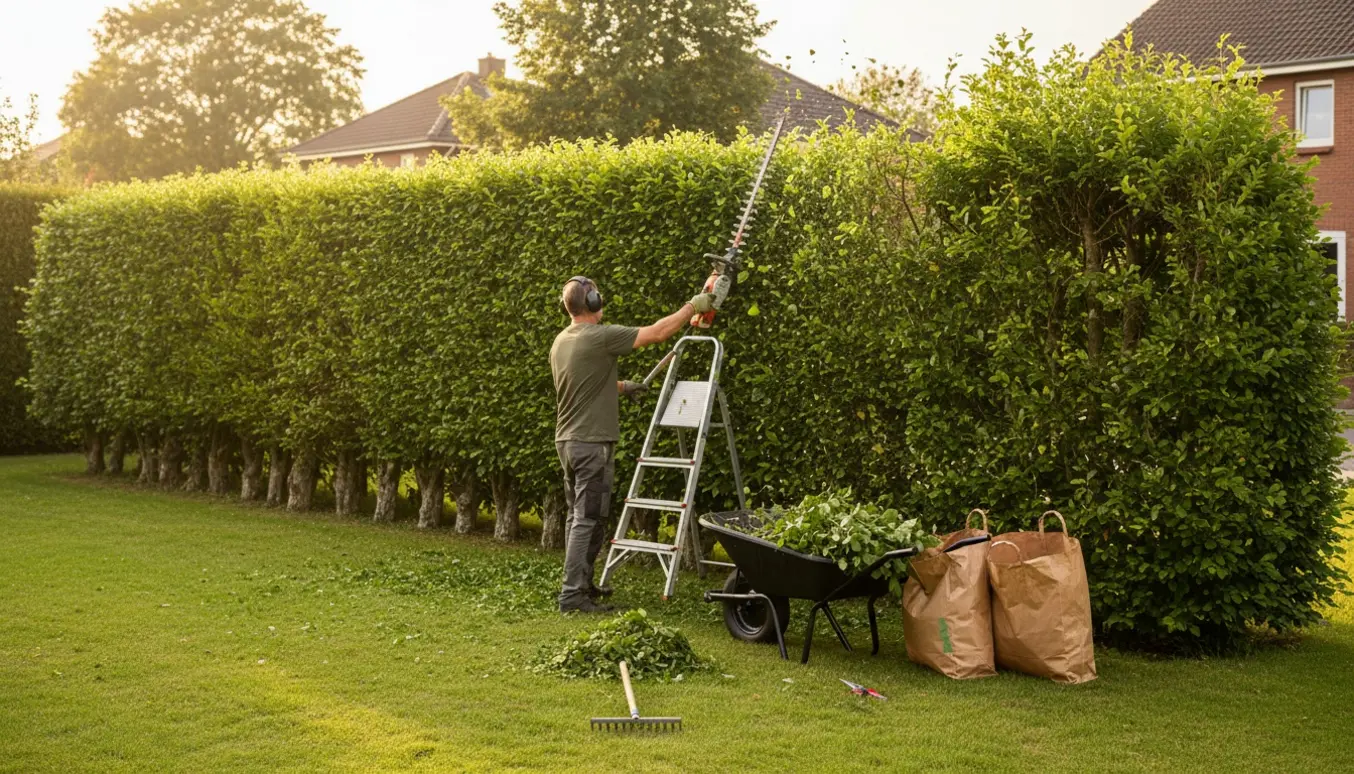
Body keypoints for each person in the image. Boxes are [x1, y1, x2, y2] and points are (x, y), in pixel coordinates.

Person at [550, 276, 715, 613]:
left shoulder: (562, 341)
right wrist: (692, 307)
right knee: (586, 518)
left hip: (568, 442)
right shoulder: (599, 336)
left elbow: (586, 385)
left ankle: (581, 585)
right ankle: (572, 596)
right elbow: (657, 333)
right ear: (593, 302)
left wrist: (624, 387)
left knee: (581, 518)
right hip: (591, 443)